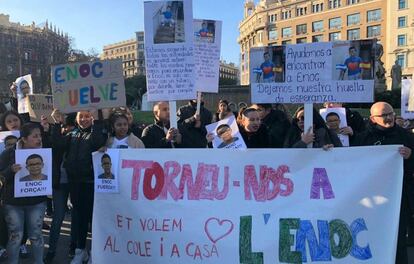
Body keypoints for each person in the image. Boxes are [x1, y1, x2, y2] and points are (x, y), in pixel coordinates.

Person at [353, 102, 414, 264]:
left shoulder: (406, 137)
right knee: (372, 233)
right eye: (383, 115)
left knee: (397, 235)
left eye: (390, 114)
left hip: (399, 197)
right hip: (371, 198)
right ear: (373, 119)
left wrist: (411, 156)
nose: (388, 118)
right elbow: (350, 163)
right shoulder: (362, 139)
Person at [51, 110, 107, 264]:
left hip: (91, 183)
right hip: (75, 183)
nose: (84, 119)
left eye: (87, 115)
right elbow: (57, 144)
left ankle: (95, 253)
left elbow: (97, 142)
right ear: (76, 119)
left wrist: (97, 122)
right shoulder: (73, 133)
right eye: (81, 116)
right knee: (80, 219)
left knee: (93, 219)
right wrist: (56, 123)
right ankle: (80, 251)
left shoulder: (99, 131)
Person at [0, 123, 49, 264]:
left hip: (36, 202)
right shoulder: (8, 153)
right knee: (15, 237)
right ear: (24, 139)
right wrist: (10, 170)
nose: (39, 139)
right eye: (35, 136)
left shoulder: (45, 152)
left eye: (40, 135)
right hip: (13, 203)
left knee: (36, 236)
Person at [45, 112, 77, 263]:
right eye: (65, 127)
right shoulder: (58, 135)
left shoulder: (77, 137)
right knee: (58, 217)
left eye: (68, 126)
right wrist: (55, 125)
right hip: (60, 182)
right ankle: (52, 249)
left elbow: (60, 141)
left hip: (76, 181)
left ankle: (73, 247)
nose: (67, 130)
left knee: (76, 217)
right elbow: (56, 143)